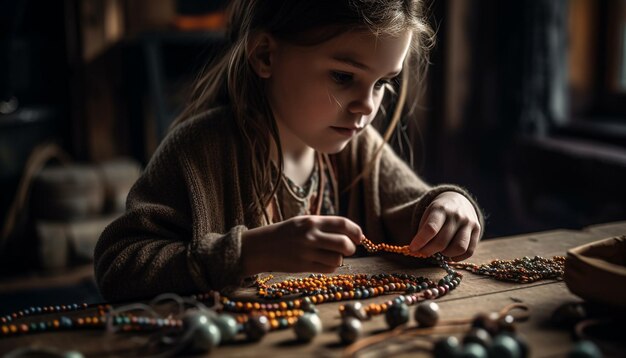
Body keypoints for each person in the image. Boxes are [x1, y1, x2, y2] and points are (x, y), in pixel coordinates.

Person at [95, 0, 483, 302]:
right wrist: (246, 253)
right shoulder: (198, 151)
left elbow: (410, 209)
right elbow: (119, 266)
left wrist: (449, 205)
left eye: (382, 82)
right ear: (265, 55)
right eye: (343, 77)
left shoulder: (358, 147)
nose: (367, 106)